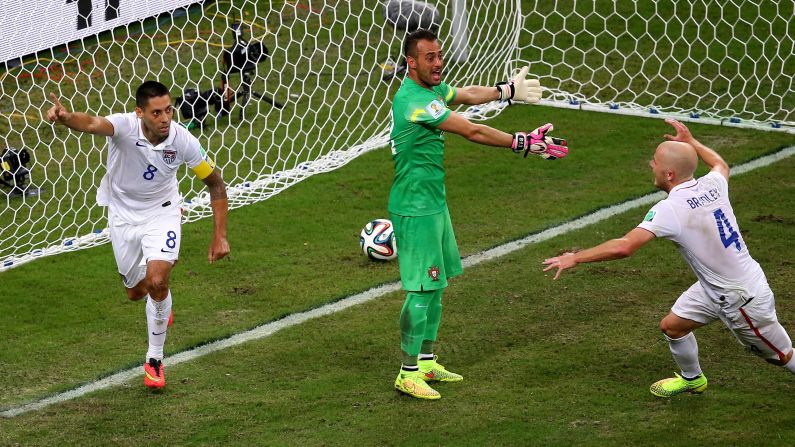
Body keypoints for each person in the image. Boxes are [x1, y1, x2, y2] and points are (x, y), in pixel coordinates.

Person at [542, 118, 794, 397]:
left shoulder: (671, 208)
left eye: (655, 162)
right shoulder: (713, 184)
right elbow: (721, 165)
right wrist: (692, 142)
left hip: (740, 298)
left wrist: (575, 258)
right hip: (721, 284)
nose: (651, 165)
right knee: (672, 326)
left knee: (781, 356)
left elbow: (625, 246)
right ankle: (692, 379)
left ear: (670, 174)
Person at [389, 29, 569, 399]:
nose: (438, 63)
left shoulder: (432, 91)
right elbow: (472, 130)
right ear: (411, 62)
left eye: (440, 55)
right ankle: (406, 373)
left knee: (436, 287)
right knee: (421, 290)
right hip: (415, 208)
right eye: (429, 58)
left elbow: (468, 95)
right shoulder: (414, 101)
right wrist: (523, 142)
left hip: (434, 204)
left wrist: (506, 90)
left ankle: (426, 362)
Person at [46, 81, 230, 389]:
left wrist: (220, 235)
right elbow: (91, 123)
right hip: (123, 216)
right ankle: (160, 307)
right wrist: (65, 117)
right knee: (136, 293)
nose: (165, 118)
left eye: (169, 110)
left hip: (163, 211)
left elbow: (216, 185)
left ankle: (154, 359)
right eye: (156, 112)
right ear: (139, 112)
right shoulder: (124, 127)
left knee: (158, 280)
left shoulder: (182, 140)